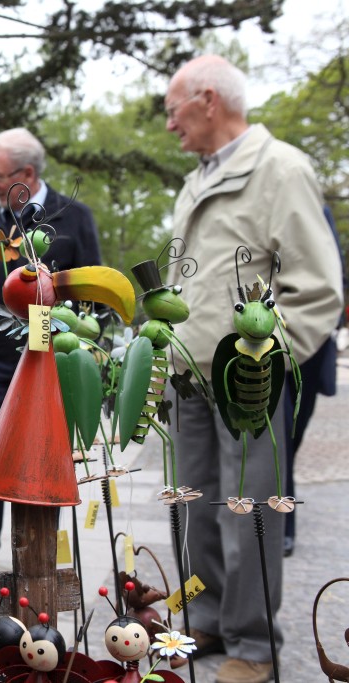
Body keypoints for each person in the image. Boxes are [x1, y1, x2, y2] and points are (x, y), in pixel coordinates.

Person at [163, 55, 343, 683]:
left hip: (246, 382)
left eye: (173, 110)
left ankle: (255, 646)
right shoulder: (196, 180)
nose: (169, 125)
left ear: (208, 100)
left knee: (250, 514)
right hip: (187, 378)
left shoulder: (281, 169)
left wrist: (263, 361)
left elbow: (317, 289)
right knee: (193, 509)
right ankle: (205, 618)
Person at [0, 128, 103, 574]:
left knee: (46, 450)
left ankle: (39, 546)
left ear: (27, 173)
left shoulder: (74, 218)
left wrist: (91, 347)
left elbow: (94, 289)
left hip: (52, 351)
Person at [282, 206, 344, 558]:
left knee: (292, 438)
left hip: (309, 349)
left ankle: (281, 516)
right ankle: (283, 525)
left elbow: (334, 277)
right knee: (277, 443)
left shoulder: (316, 209)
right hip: (263, 341)